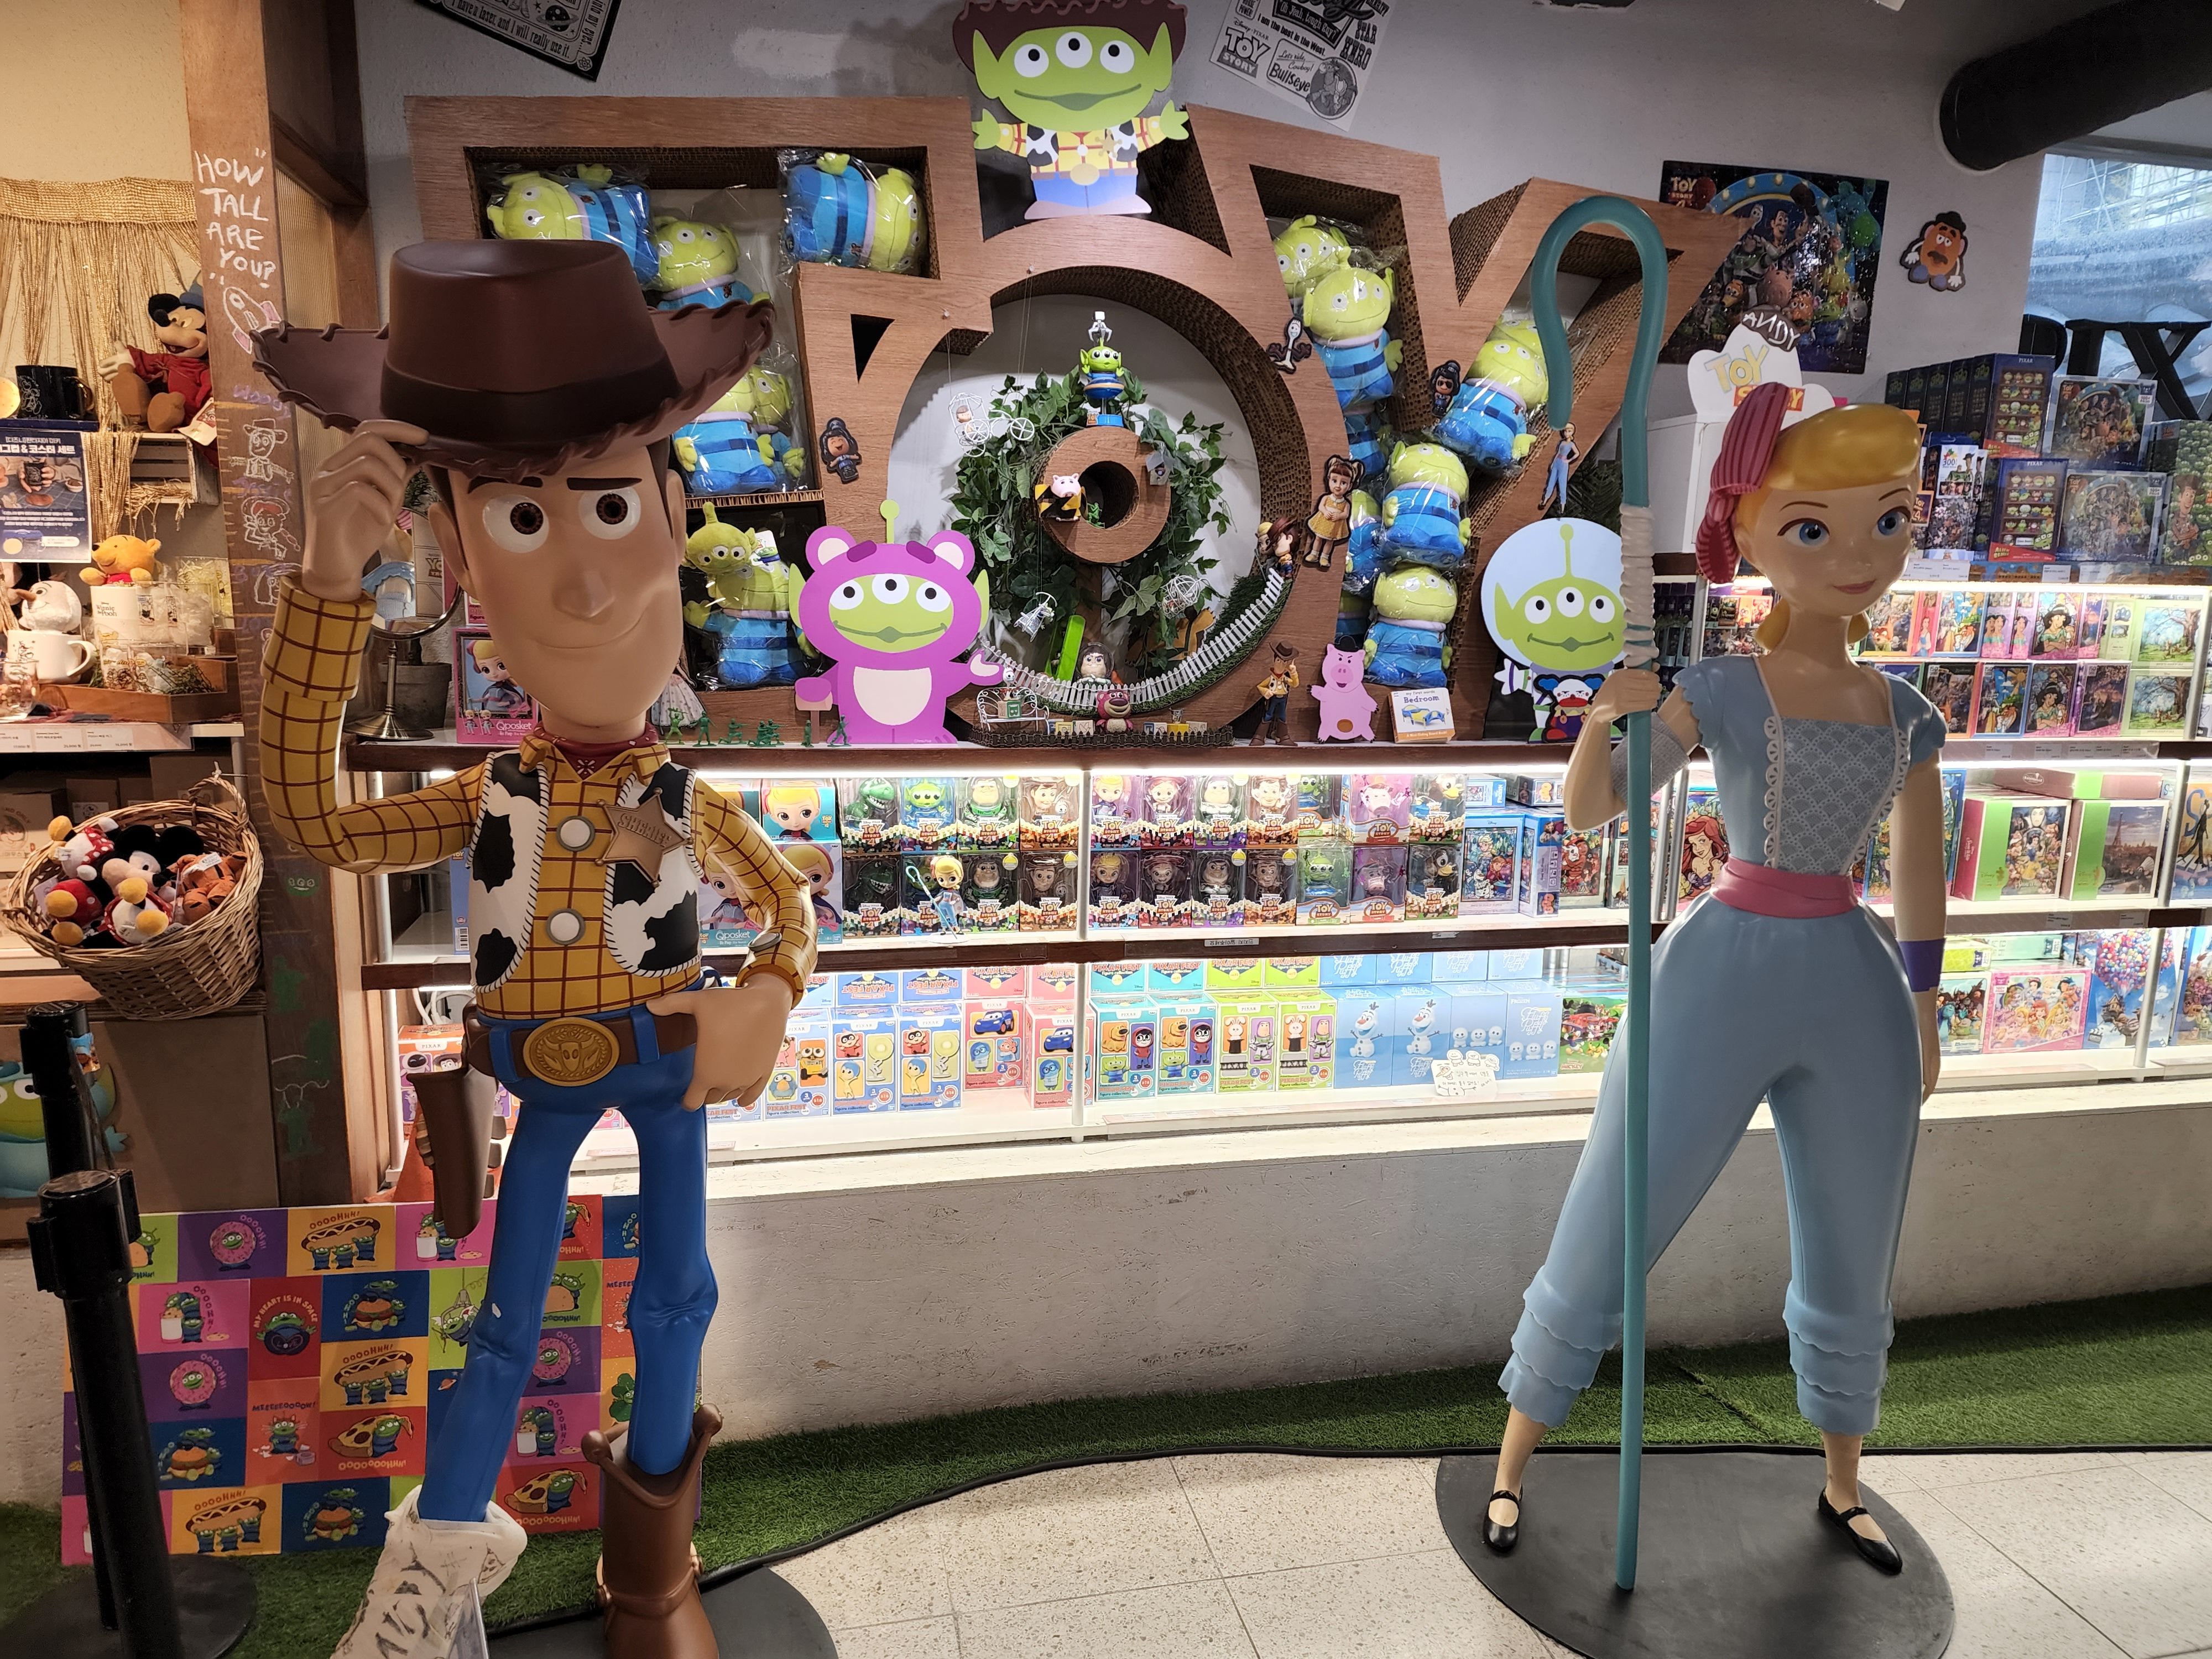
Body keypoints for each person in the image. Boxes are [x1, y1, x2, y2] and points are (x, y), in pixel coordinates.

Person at [254, 239, 815, 1659]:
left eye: (610, 506)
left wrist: (767, 993)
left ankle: (652, 1579)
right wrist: (321, 589)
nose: (580, 588)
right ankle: (437, 1574)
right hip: (541, 1073)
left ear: (672, 513)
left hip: (664, 1062)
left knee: (675, 1298)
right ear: (455, 551)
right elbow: (306, 819)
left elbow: (789, 906)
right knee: (504, 1323)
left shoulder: (685, 801)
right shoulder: (484, 795)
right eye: (517, 521)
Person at [1485, 385, 1943, 1579]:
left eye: (1888, 520)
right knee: (1614, 1209)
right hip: (1718, 971)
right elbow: (1595, 810)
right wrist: (1608, 717)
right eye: (1812, 528)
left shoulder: (1906, 714)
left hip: (1854, 988)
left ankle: (1843, 1481)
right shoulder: (1723, 689)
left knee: (1856, 1238)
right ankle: (1514, 1455)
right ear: (1748, 537)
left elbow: (1920, 873)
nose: (1855, 555)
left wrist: (1923, 1004)